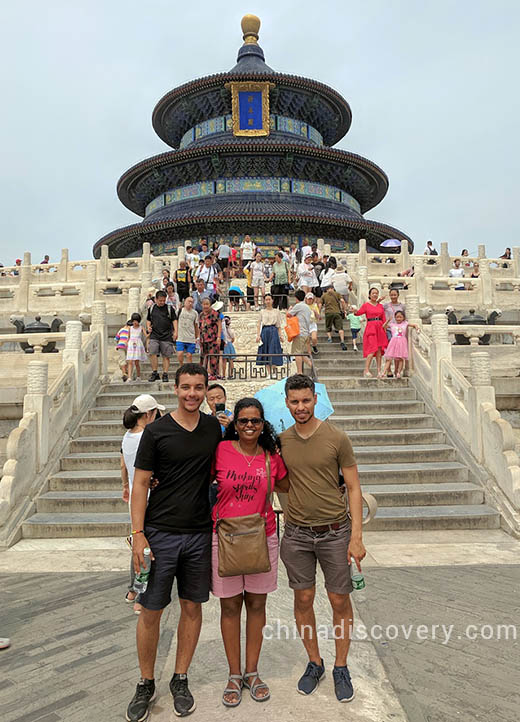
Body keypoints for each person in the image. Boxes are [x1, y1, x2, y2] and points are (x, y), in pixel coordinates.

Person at [127, 364, 222, 721]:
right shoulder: (157, 432)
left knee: (193, 607)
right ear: (175, 389)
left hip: (199, 532)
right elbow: (139, 484)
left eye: (199, 388)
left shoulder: (213, 428)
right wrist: (137, 534)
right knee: (151, 610)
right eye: (186, 387)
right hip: (160, 533)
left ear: (206, 389)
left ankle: (180, 678)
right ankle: (146, 682)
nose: (192, 394)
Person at [279, 374, 365, 703]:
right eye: (295, 401)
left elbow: (354, 487)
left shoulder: (337, 437)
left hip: (335, 531)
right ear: (287, 403)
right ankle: (314, 661)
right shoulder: (282, 440)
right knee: (302, 600)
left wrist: (356, 536)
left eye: (306, 400)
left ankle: (341, 665)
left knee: (339, 600)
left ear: (315, 399)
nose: (301, 407)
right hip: (297, 533)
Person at [213, 398, 289, 707]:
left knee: (257, 606)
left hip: (263, 535)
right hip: (225, 537)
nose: (248, 426)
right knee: (230, 608)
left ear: (263, 424)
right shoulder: (220, 450)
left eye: (255, 421)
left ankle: (252, 671)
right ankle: (234, 674)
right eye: (243, 421)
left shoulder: (272, 457)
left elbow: (286, 486)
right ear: (234, 424)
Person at [121, 394, 165, 614]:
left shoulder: (127, 437)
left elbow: (123, 465)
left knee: (138, 546)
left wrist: (125, 487)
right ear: (148, 414)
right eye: (156, 413)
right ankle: (141, 596)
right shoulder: (146, 437)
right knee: (147, 549)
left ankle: (132, 591)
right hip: (148, 499)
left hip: (134, 499)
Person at [353, 288, 388, 377]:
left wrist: (385, 328)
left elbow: (383, 318)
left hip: (380, 327)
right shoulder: (366, 305)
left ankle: (379, 370)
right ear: (369, 295)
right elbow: (358, 313)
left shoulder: (380, 306)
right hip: (371, 327)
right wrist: (354, 311)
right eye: (373, 293)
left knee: (379, 350)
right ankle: (366, 370)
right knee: (372, 349)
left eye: (376, 293)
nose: (375, 295)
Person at [146, 290, 178, 383]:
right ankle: (155, 372)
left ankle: (165, 373)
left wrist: (176, 331)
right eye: (160, 300)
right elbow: (148, 320)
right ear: (156, 299)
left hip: (166, 335)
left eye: (164, 300)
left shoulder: (169, 308)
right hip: (154, 335)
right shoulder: (151, 308)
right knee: (152, 353)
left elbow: (174, 320)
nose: (162, 302)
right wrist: (148, 327)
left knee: (166, 356)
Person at [382, 310, 418, 379]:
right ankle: (384, 372)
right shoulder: (392, 324)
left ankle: (398, 372)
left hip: (402, 342)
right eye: (397, 317)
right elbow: (383, 326)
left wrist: (417, 327)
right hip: (393, 342)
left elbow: (414, 325)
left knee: (401, 358)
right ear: (395, 317)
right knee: (389, 358)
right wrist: (388, 320)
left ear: (403, 318)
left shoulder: (405, 324)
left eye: (400, 317)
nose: (398, 319)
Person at [287, 290, 313, 375]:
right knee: (301, 352)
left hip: (299, 333)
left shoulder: (298, 306)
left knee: (297, 353)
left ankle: (299, 372)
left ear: (296, 298)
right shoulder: (307, 307)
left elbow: (288, 314)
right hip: (306, 332)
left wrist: (290, 309)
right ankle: (311, 365)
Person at [256, 293, 284, 370]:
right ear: (264, 301)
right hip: (265, 331)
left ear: (272, 300)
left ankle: (274, 370)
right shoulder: (262, 311)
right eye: (266, 300)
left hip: (274, 331)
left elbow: (278, 325)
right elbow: (258, 324)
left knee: (273, 350)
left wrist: (281, 335)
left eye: (269, 299)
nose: (268, 301)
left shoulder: (276, 311)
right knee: (266, 350)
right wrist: (258, 335)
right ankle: (268, 372)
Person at [199, 297, 222, 381]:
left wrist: (219, 337)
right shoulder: (201, 315)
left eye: (207, 304)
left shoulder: (215, 314)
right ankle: (203, 375)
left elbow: (219, 325)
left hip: (213, 339)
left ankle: (214, 374)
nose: (205, 306)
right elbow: (199, 327)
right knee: (203, 358)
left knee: (214, 358)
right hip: (203, 340)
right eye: (204, 304)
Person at [322, 286, 347, 350]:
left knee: (328, 327)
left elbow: (320, 304)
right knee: (340, 328)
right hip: (337, 312)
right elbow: (342, 301)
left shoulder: (324, 295)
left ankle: (330, 338)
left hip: (328, 313)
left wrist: (319, 313)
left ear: (327, 290)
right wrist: (344, 310)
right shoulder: (337, 294)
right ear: (333, 289)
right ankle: (342, 340)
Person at [176, 296, 199, 364]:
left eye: (192, 302)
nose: (190, 303)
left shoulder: (195, 313)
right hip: (181, 337)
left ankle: (189, 369)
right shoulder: (179, 311)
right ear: (185, 302)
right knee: (180, 353)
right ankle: (181, 366)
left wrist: (196, 336)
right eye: (188, 301)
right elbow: (175, 321)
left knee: (189, 355)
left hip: (190, 337)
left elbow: (196, 325)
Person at [127, 313, 147, 383]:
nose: (135, 322)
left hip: (138, 345)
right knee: (130, 361)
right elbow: (128, 337)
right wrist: (127, 344)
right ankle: (129, 377)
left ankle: (138, 376)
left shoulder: (141, 328)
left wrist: (150, 332)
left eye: (136, 321)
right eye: (134, 321)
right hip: (131, 345)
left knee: (136, 362)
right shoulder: (130, 328)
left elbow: (146, 335)